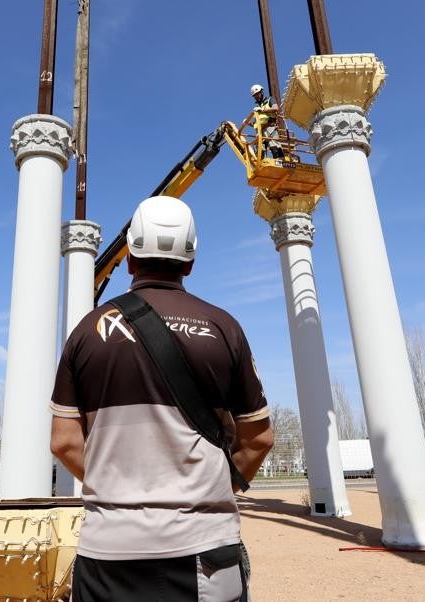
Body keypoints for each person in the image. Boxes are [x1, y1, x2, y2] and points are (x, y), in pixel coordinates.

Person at [50, 196, 274, 601]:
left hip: (107, 554)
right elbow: (258, 438)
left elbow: (64, 442)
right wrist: (213, 486)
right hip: (204, 551)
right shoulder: (224, 327)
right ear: (190, 262)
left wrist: (118, 484)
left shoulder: (86, 332)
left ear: (131, 258)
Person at [249, 84, 285, 160]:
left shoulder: (269, 100)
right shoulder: (257, 109)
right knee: (260, 152)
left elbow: (276, 108)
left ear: (261, 92)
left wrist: (263, 110)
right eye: (254, 95)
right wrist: (247, 123)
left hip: (270, 128)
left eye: (257, 94)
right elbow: (254, 123)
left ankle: (280, 162)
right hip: (260, 132)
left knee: (274, 147)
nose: (256, 96)